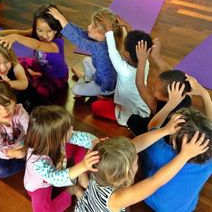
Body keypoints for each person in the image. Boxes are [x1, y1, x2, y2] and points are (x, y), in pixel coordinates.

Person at [74, 114, 209, 212]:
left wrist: (165, 130)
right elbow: (156, 180)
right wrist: (184, 156)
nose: (137, 158)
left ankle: (77, 192)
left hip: (87, 204)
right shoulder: (118, 198)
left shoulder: (100, 167)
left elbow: (136, 145)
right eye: (135, 162)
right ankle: (77, 192)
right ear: (127, 175)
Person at [23, 105, 99, 212]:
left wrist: (96, 143)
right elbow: (55, 179)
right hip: (41, 185)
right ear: (53, 139)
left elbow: (85, 137)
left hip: (58, 167)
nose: (72, 129)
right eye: (67, 129)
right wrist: (83, 165)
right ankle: (72, 189)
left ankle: (82, 176)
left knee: (83, 145)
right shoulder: (36, 161)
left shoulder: (53, 140)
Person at [142, 104, 212, 212]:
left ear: (174, 143)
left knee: (145, 157)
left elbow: (152, 127)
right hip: (186, 208)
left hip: (153, 202)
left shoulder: (158, 150)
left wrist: (166, 128)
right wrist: (205, 94)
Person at [0, 4, 69, 98]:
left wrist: (16, 38)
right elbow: (19, 32)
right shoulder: (36, 32)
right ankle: (33, 75)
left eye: (49, 31)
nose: (44, 35)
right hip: (41, 66)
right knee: (15, 61)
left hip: (56, 77)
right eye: (40, 30)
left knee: (36, 94)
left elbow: (38, 45)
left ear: (56, 30)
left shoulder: (56, 44)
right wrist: (0, 33)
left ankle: (33, 77)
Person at [48, 7, 123, 97]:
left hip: (105, 87)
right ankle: (87, 78)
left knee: (75, 89)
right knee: (86, 60)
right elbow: (81, 33)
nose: (89, 26)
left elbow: (78, 40)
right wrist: (63, 22)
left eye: (93, 26)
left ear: (103, 34)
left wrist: (60, 18)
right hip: (105, 76)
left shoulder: (99, 48)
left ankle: (86, 80)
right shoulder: (105, 41)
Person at [91, 14, 151, 126]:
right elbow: (136, 41)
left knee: (95, 106)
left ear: (127, 54)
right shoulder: (145, 62)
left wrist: (108, 28)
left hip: (129, 115)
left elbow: (112, 50)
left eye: (123, 46)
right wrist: (125, 26)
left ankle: (118, 112)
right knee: (106, 100)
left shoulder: (124, 71)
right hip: (143, 108)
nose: (121, 46)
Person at [127, 40, 192, 135]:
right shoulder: (187, 94)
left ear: (166, 97)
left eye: (154, 89)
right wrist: (156, 57)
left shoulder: (156, 106)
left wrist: (142, 60)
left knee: (133, 120)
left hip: (156, 132)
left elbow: (139, 83)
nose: (152, 89)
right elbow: (173, 75)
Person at [0, 35, 42, 113]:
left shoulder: (16, 67)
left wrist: (9, 83)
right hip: (7, 104)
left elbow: (24, 84)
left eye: (7, 61)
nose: (4, 68)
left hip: (24, 98)